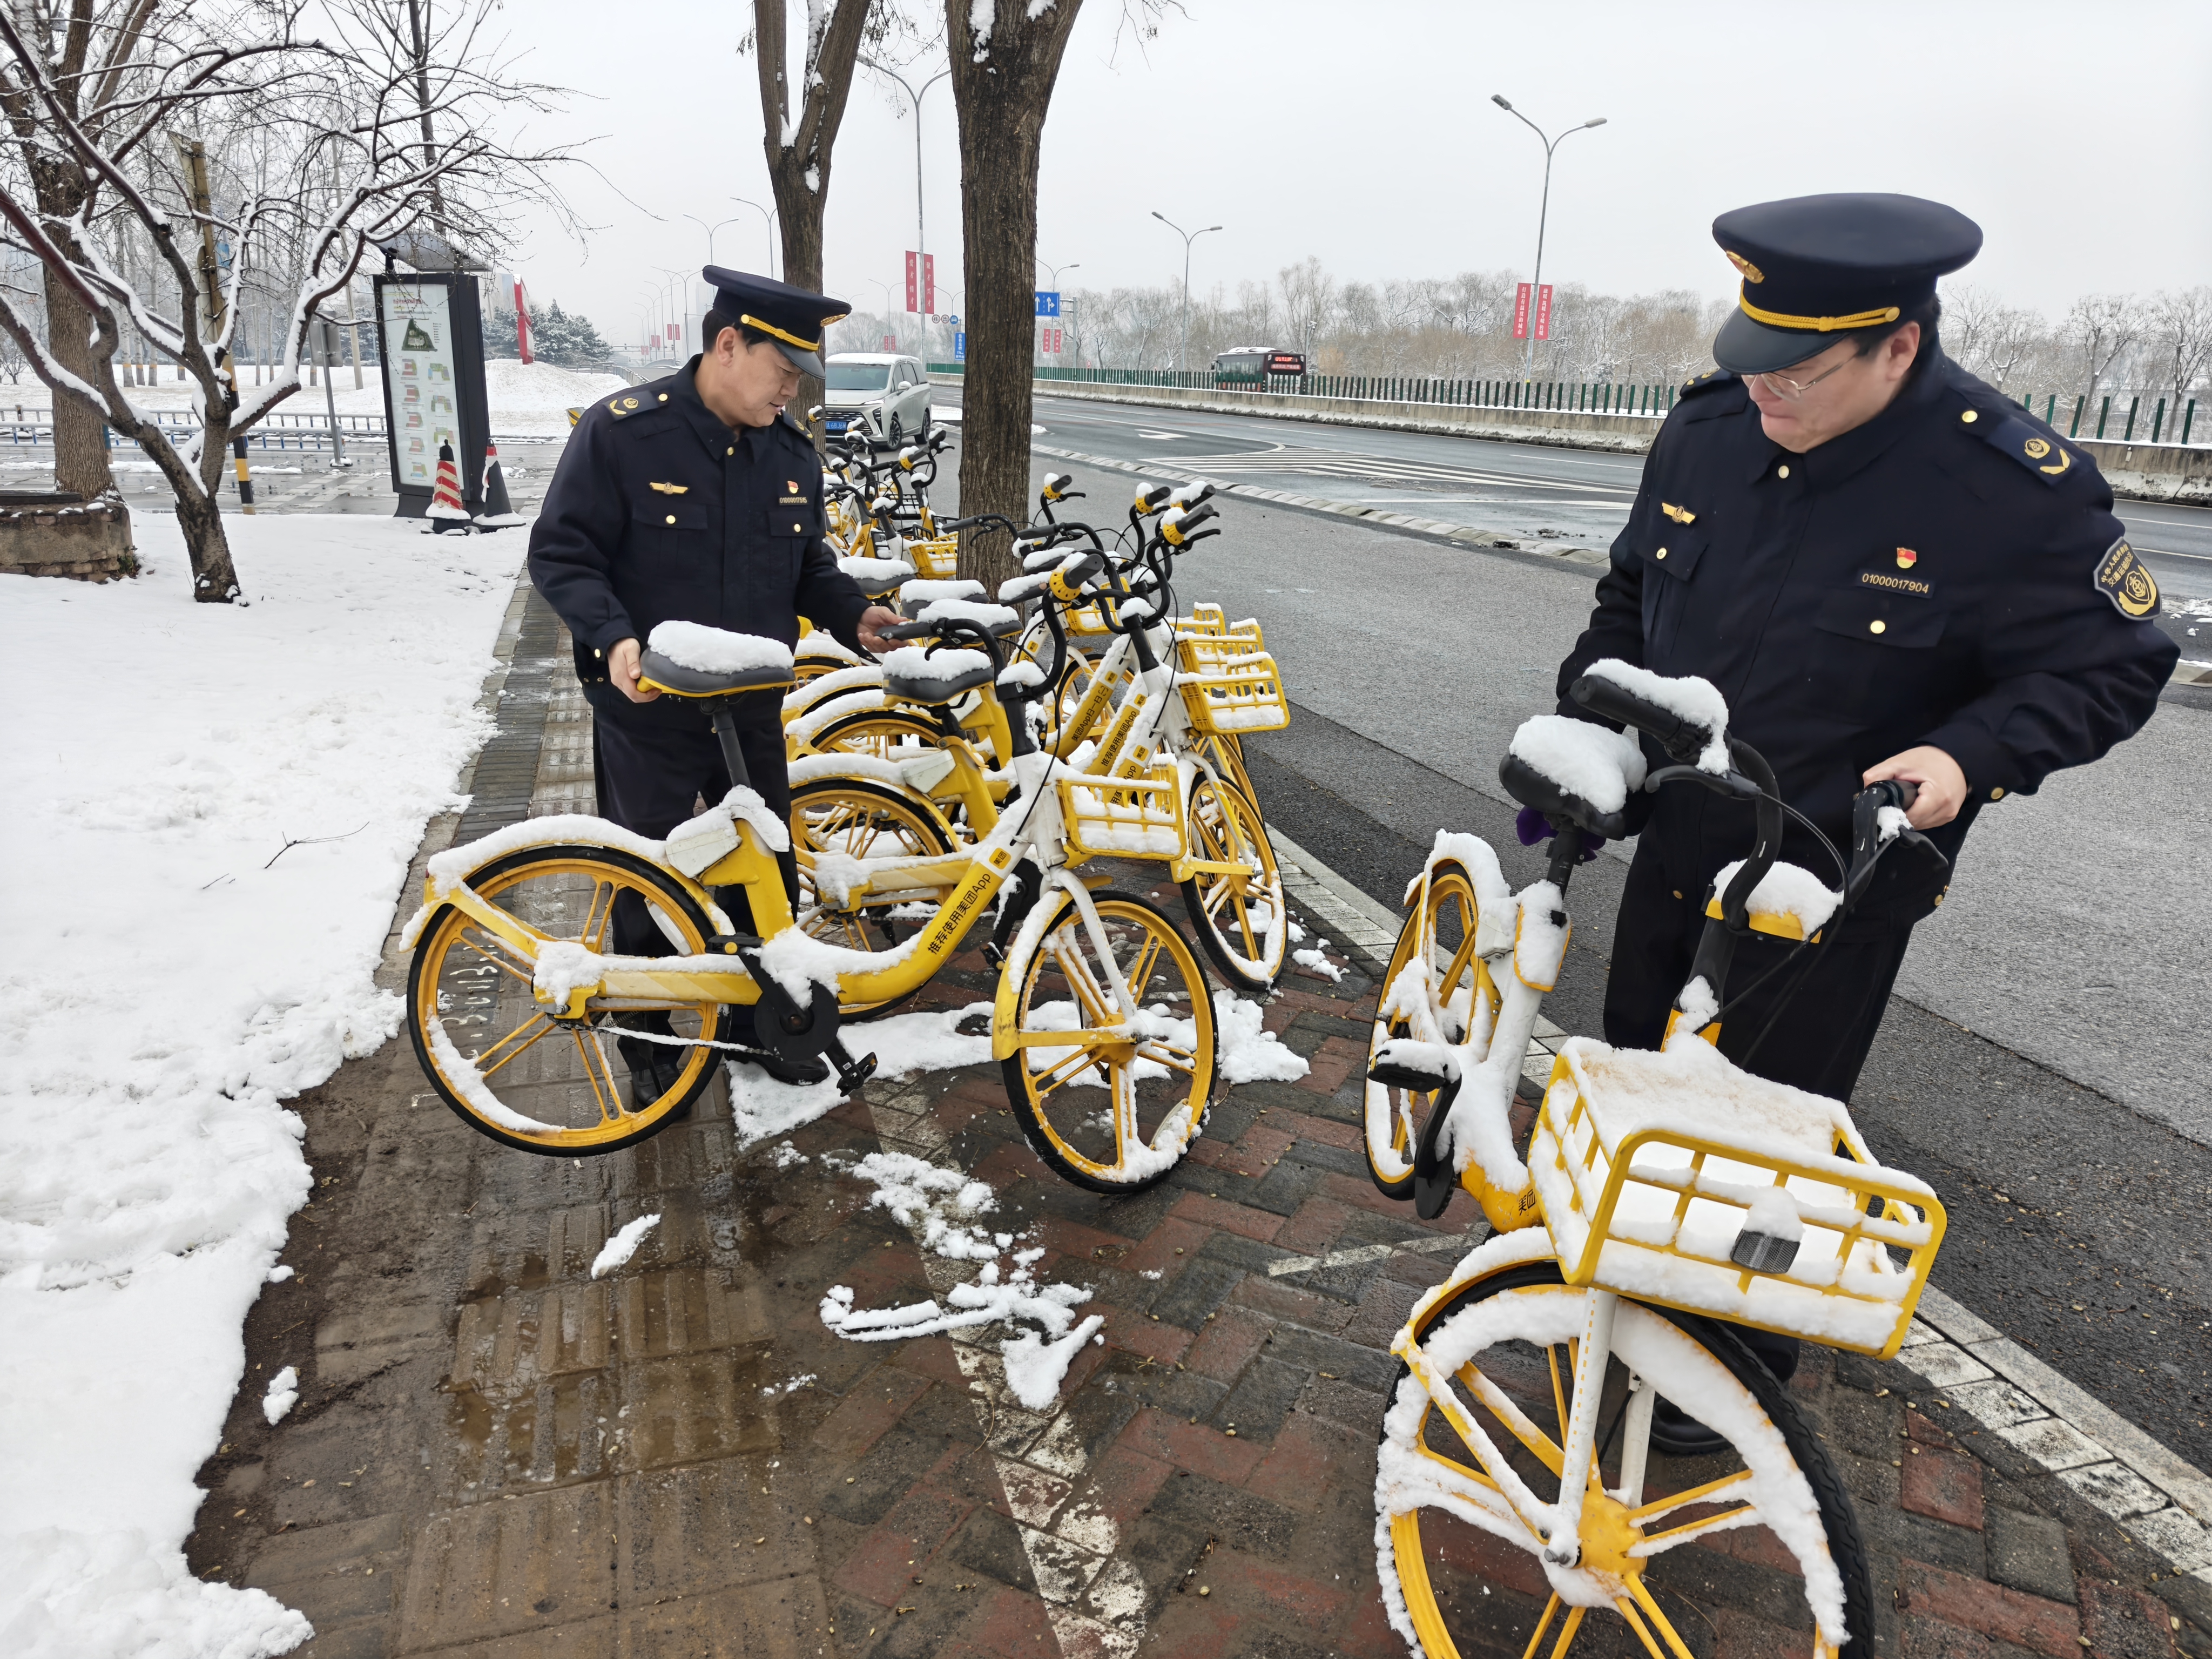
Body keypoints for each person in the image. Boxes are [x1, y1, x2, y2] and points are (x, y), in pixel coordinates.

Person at [1546, 193, 2176, 1446]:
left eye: (1795, 373)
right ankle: (1623, 1306)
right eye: (1751, 360)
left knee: (1761, 1130)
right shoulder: (1707, 433)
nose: (1762, 391)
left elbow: (2114, 664)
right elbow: (1626, 594)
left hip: (1827, 880)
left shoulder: (2005, 488)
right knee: (1639, 1087)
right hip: (1678, 839)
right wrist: (1595, 709)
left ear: (1897, 344)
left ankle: (1726, 1373)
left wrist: (1966, 755)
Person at [529, 268, 903, 1101]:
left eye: (801, 375)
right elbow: (562, 552)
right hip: (649, 710)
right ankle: (648, 1039)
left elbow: (808, 565)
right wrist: (614, 636)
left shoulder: (790, 453)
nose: (793, 389)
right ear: (728, 345)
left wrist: (856, 616)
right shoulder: (624, 435)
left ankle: (757, 1022)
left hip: (752, 707)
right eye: (784, 370)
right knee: (651, 877)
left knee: (765, 872)